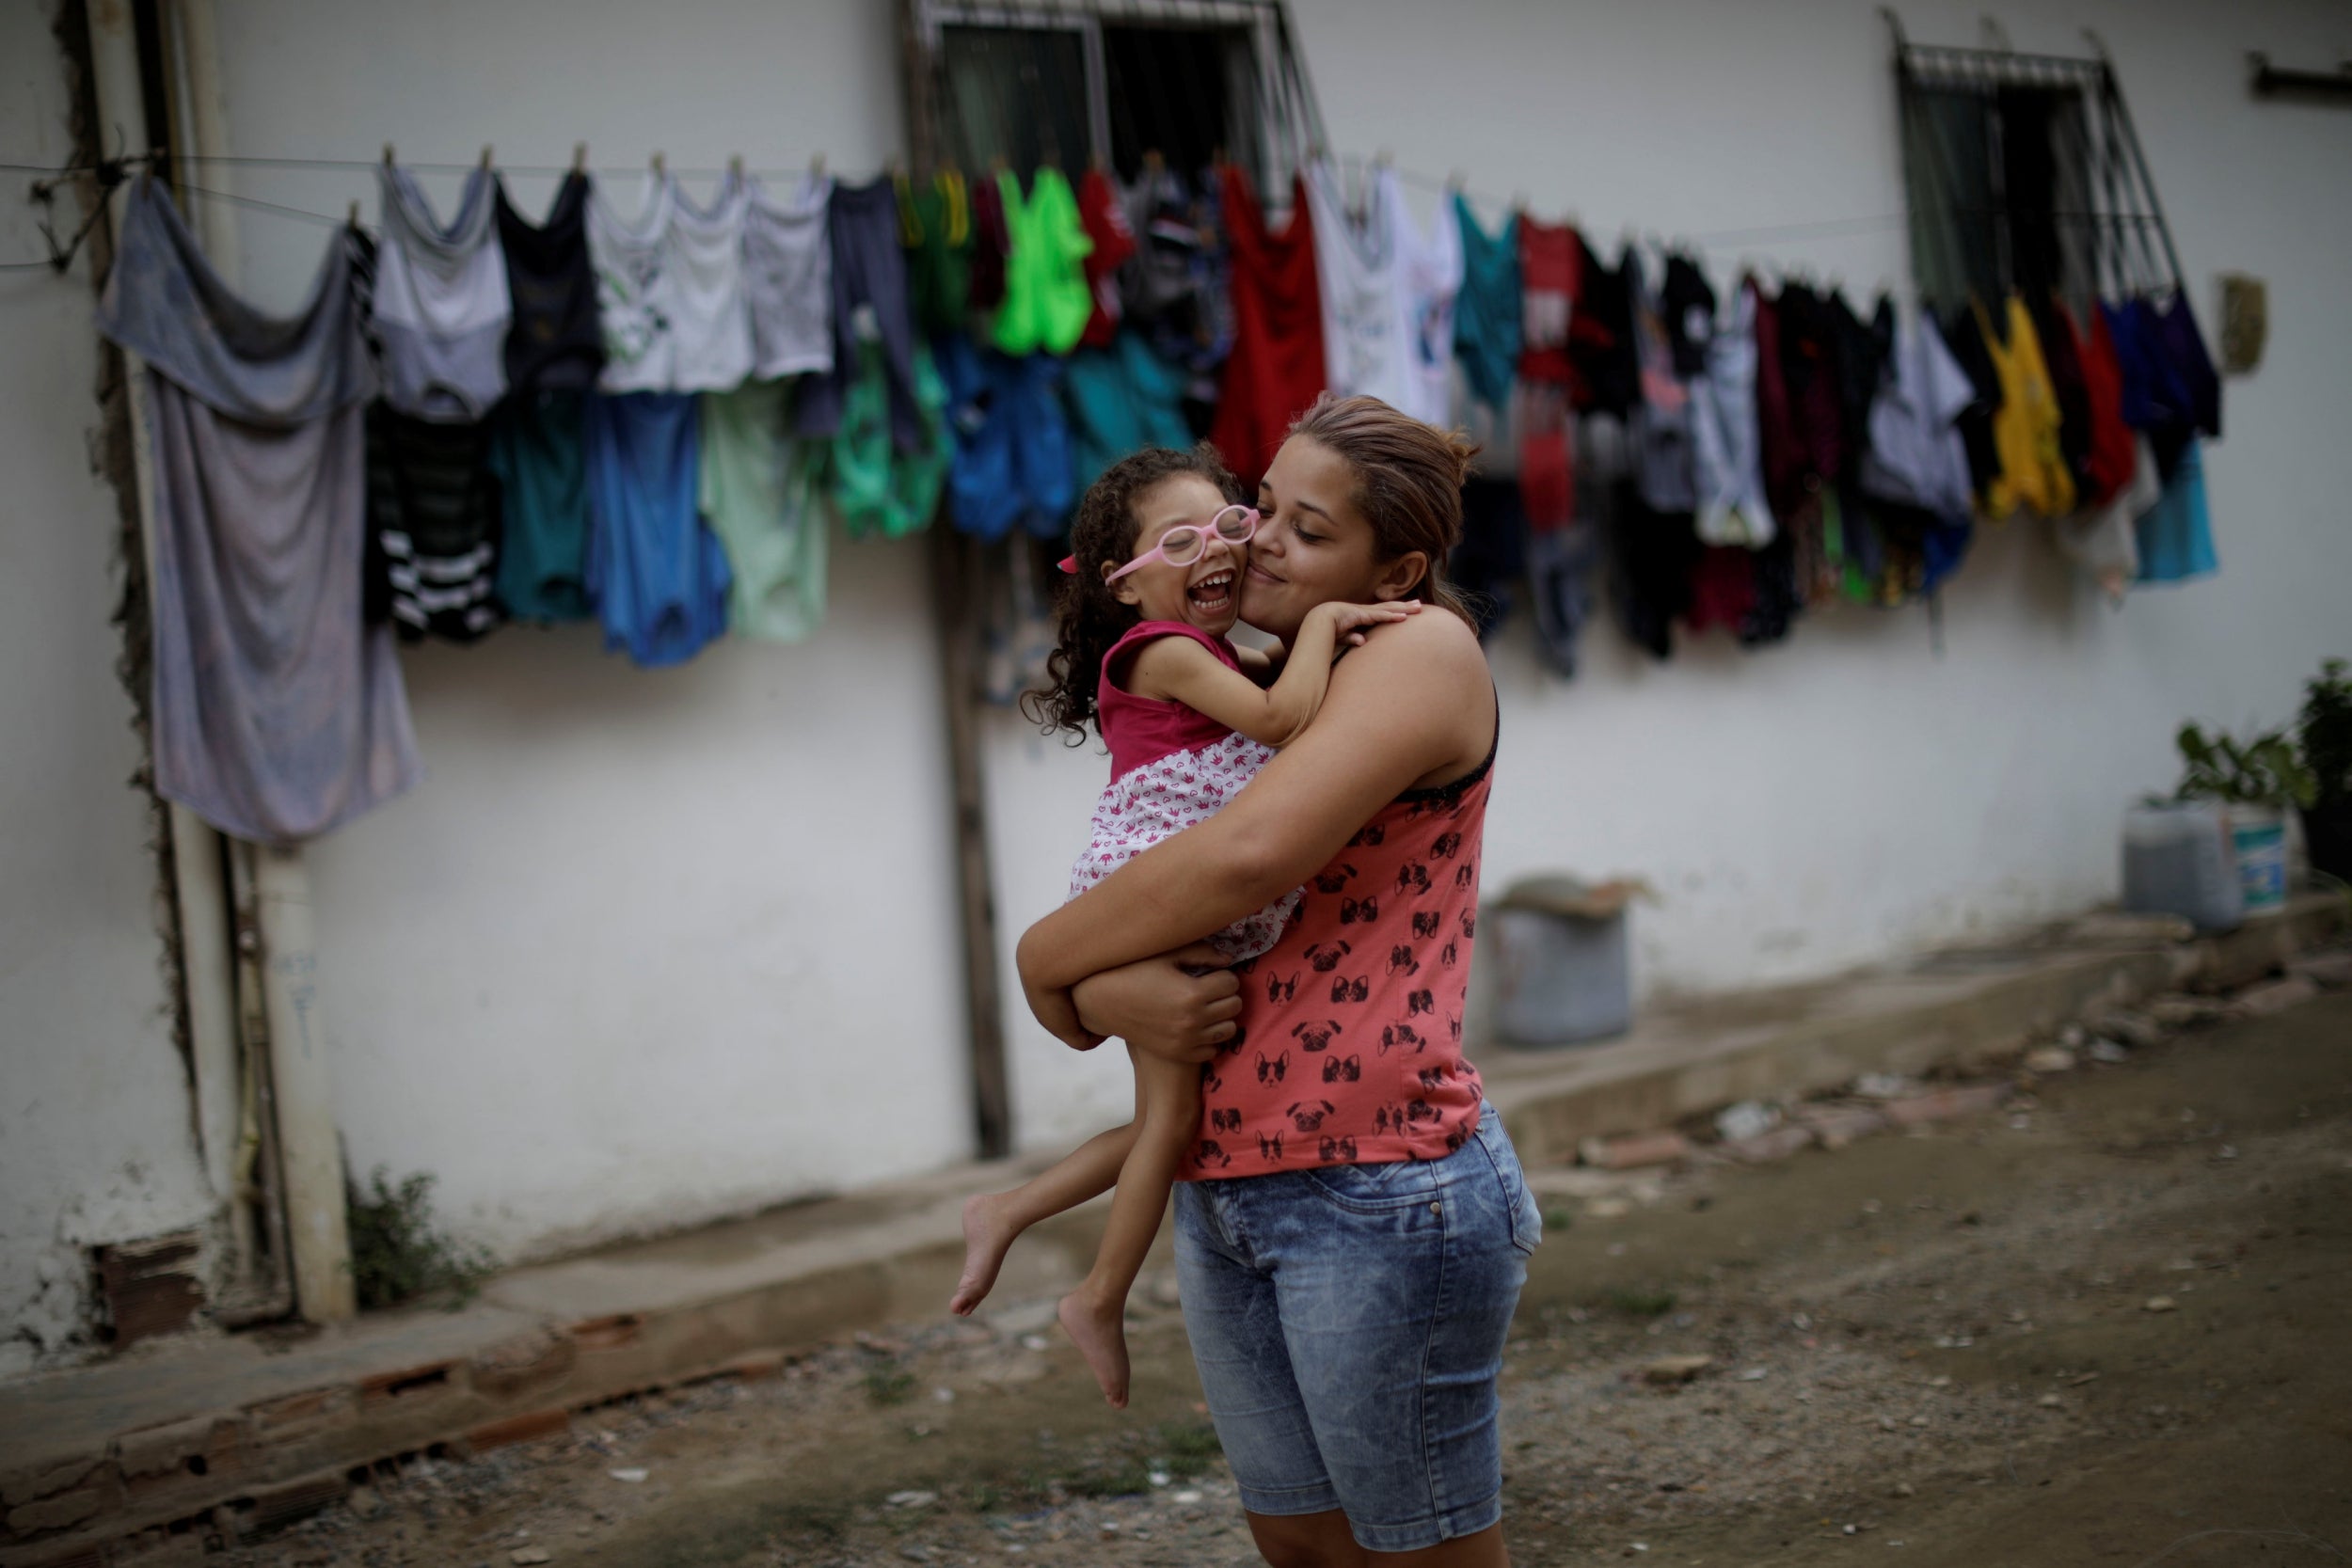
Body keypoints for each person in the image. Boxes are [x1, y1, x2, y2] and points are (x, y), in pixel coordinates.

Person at [1016, 395, 1540, 1567]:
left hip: (1379, 1185)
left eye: (1307, 532)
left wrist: (1044, 962)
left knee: (1417, 1557)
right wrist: (1106, 994)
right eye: (1265, 506)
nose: (1255, 542)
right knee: (1301, 1546)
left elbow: (1244, 859)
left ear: (1392, 565)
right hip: (1226, 1173)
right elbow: (1171, 910)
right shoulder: (1249, 665)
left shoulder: (1416, 649)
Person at [952, 444, 1420, 1409]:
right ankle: (1098, 1293)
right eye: (1177, 541)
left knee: (1168, 1120)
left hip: (1173, 896)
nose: (1214, 548)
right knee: (1169, 1118)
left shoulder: (1204, 650)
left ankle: (1008, 1208)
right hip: (1150, 889)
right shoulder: (1161, 650)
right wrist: (1330, 617)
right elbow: (1285, 719)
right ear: (1123, 586)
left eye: (1226, 524)